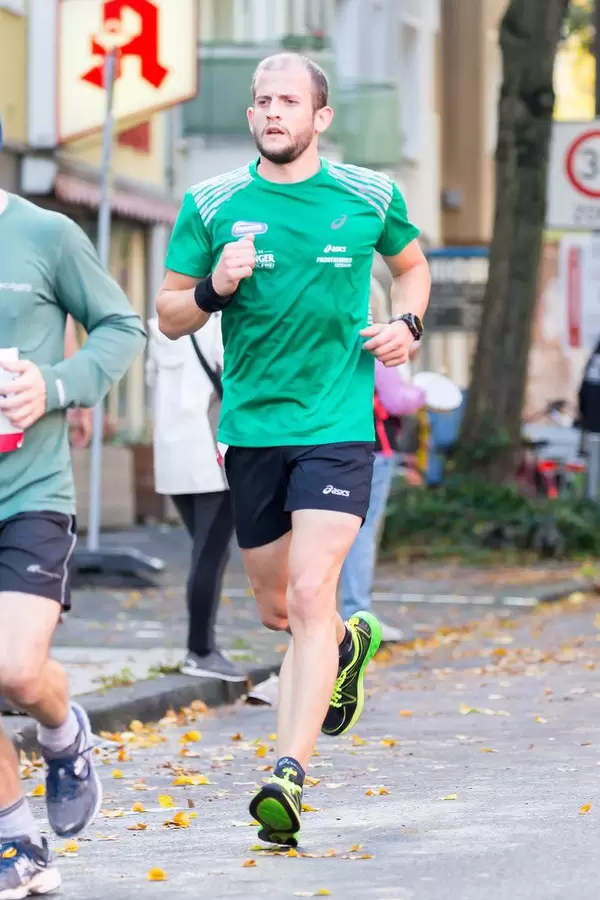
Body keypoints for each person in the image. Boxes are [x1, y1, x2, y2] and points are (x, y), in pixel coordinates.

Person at [156, 52, 430, 847]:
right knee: (279, 607)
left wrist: (407, 326)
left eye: (288, 101)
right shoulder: (211, 204)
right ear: (251, 118)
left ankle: (287, 775)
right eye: (261, 101)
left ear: (320, 118)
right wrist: (215, 289)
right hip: (251, 433)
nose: (273, 112)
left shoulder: (369, 195)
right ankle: (350, 645)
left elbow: (412, 271)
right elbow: (169, 314)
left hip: (339, 428)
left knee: (313, 593)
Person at [0, 171, 146, 894]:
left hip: (30, 492)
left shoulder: (46, 235)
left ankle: (65, 735)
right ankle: (14, 838)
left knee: (17, 671)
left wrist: (53, 385)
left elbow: (123, 328)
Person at [146, 314, 245, 682]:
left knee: (203, 551)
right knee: (210, 553)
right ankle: (201, 650)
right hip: (211, 452)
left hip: (172, 455)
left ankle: (201, 648)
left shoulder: (158, 326)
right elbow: (235, 374)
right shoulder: (217, 324)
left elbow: (152, 384)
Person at [340, 357, 425, 640]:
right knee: (363, 532)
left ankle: (328, 617)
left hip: (336, 447)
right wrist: (422, 393)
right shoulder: (380, 352)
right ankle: (358, 617)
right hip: (374, 449)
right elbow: (398, 401)